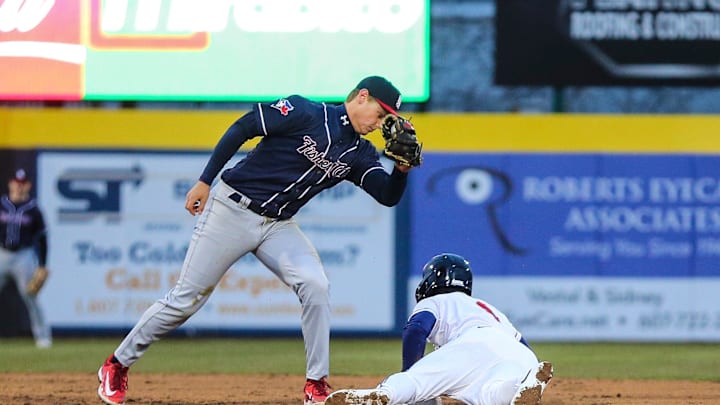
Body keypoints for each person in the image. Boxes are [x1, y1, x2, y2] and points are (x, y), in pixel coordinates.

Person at [97, 76, 418, 405]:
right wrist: (205, 181)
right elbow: (243, 127)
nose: (379, 124)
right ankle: (117, 364)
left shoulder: (359, 152)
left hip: (277, 225)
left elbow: (386, 195)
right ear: (361, 97)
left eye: (385, 120)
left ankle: (316, 384)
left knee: (315, 285)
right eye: (380, 115)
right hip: (231, 209)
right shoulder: (305, 111)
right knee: (186, 298)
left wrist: (402, 171)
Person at [324, 253, 554, 405]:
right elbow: (522, 348)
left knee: (416, 382)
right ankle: (518, 388)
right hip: (521, 357)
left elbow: (416, 329)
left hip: (473, 343)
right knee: (490, 393)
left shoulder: (436, 301)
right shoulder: (489, 309)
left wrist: (410, 371)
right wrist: (530, 368)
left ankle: (383, 394)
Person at [0, 169, 52, 348]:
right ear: (11, 184)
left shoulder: (34, 209)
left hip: (24, 256)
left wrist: (43, 264)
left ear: (28, 185)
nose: (19, 186)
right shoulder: (2, 204)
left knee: (31, 295)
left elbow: (43, 238)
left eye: (22, 183)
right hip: (2, 253)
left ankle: (43, 337)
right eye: (16, 182)